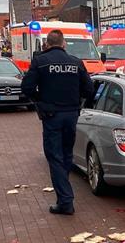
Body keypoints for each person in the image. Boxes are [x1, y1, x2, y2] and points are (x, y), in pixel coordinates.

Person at [21, 29, 94, 215]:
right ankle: (65, 195)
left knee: (54, 157)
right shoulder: (76, 63)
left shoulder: (40, 61)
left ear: (47, 44)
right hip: (71, 115)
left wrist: (40, 100)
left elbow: (26, 87)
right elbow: (89, 90)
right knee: (66, 155)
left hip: (51, 115)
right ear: (63, 44)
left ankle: (65, 202)